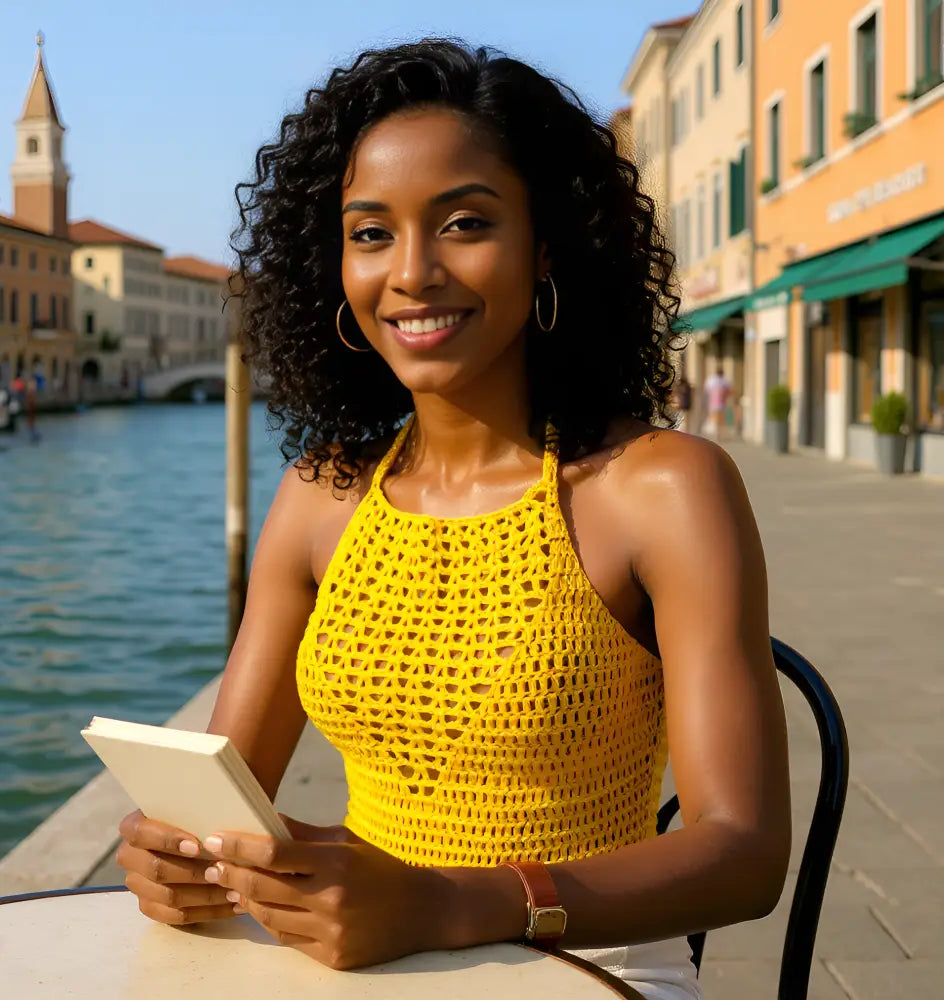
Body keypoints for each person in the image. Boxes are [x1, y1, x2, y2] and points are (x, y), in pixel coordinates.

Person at [116, 41, 790, 1000]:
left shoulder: (664, 488)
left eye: (465, 223)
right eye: (370, 232)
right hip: (363, 959)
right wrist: (181, 859)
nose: (414, 273)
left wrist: (448, 903)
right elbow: (228, 794)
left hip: (590, 962)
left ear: (545, 245)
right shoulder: (320, 493)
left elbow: (744, 854)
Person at [703, 367, 732, 440]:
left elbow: (707, 389)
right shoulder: (724, 381)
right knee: (721, 419)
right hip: (721, 402)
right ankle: (719, 434)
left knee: (715, 418)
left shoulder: (711, 380)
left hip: (713, 402)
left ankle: (716, 433)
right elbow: (729, 390)